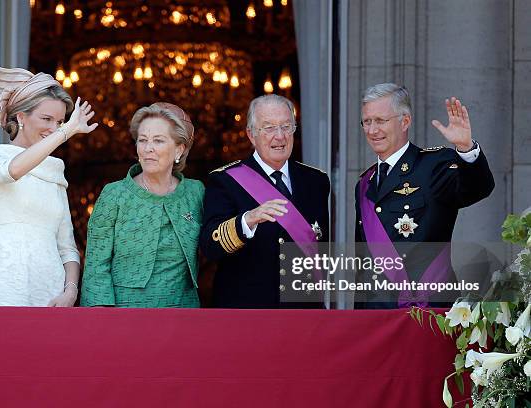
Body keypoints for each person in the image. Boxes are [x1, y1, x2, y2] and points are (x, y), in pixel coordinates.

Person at [354, 83, 494, 308]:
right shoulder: (365, 183)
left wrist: (466, 149)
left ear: (405, 121)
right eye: (367, 122)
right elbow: (363, 263)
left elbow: (479, 188)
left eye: (380, 121)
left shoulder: (433, 166)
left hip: (428, 307)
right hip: (376, 315)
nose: (372, 130)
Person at [0, 66, 97, 306]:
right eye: (46, 119)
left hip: (51, 286)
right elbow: (14, 170)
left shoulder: (54, 170)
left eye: (59, 121)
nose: (54, 128)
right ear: (21, 117)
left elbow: (67, 247)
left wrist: (70, 292)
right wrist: (66, 132)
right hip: (5, 279)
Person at [199, 94, 331, 308]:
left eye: (286, 127)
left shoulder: (316, 181)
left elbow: (320, 248)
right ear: (251, 135)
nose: (279, 136)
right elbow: (210, 247)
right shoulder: (225, 181)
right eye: (268, 128)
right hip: (247, 310)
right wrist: (247, 220)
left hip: (303, 309)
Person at [80, 102, 204, 308]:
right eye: (142, 140)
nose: (148, 149)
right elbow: (96, 265)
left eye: (158, 141)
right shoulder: (114, 194)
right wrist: (100, 316)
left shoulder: (195, 192)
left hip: (184, 311)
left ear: (179, 150)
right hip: (126, 311)